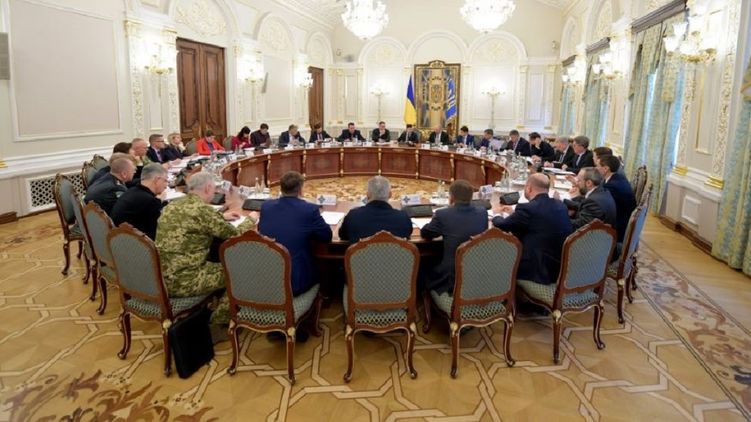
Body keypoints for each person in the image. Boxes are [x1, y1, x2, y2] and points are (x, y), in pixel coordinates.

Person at [156, 172, 256, 326]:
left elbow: (194, 220)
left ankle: (214, 309)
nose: (215, 193)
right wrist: (251, 219)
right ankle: (219, 321)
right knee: (240, 272)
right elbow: (235, 234)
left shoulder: (172, 205)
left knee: (221, 262)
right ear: (208, 188)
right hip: (185, 281)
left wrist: (221, 217)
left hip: (163, 277)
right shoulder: (203, 211)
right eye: (214, 190)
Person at [259, 171, 332, 296]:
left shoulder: (266, 206)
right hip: (295, 283)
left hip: (267, 278)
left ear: (281, 188)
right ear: (301, 190)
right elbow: (326, 236)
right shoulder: (309, 210)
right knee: (324, 269)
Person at [492, 174, 573, 285]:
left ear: (528, 188)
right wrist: (514, 214)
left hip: (536, 271)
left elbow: (501, 225)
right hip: (558, 268)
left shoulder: (528, 209)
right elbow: (540, 219)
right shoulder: (561, 206)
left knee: (498, 253)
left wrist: (497, 214)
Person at [420, 180, 488, 294]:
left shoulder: (443, 214)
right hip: (477, 273)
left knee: (424, 266)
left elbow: (426, 233)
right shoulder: (482, 212)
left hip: (451, 278)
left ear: (451, 197)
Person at [338, 176, 412, 242]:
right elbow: (408, 236)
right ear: (390, 195)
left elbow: (343, 237)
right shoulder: (403, 218)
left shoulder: (353, 216)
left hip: (362, 254)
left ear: (367, 195)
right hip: (395, 254)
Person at [111, 163, 168, 240]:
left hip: (119, 240)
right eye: (165, 180)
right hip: (137, 243)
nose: (166, 185)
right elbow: (160, 230)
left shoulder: (131, 191)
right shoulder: (150, 201)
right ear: (157, 180)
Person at [597, 155, 636, 242]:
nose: (596, 169)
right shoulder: (618, 177)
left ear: (606, 169)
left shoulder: (612, 186)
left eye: (598, 166)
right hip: (623, 218)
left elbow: (600, 206)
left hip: (617, 227)